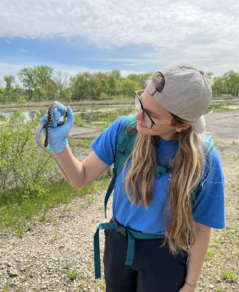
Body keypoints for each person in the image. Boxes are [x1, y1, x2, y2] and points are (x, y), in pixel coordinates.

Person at [40, 63, 225, 292]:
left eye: (150, 114)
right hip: (119, 244)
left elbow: (201, 229)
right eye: (140, 101)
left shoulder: (205, 159)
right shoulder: (124, 131)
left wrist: (190, 284)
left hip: (167, 255)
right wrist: (59, 145)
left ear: (182, 125)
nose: (138, 115)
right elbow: (80, 178)